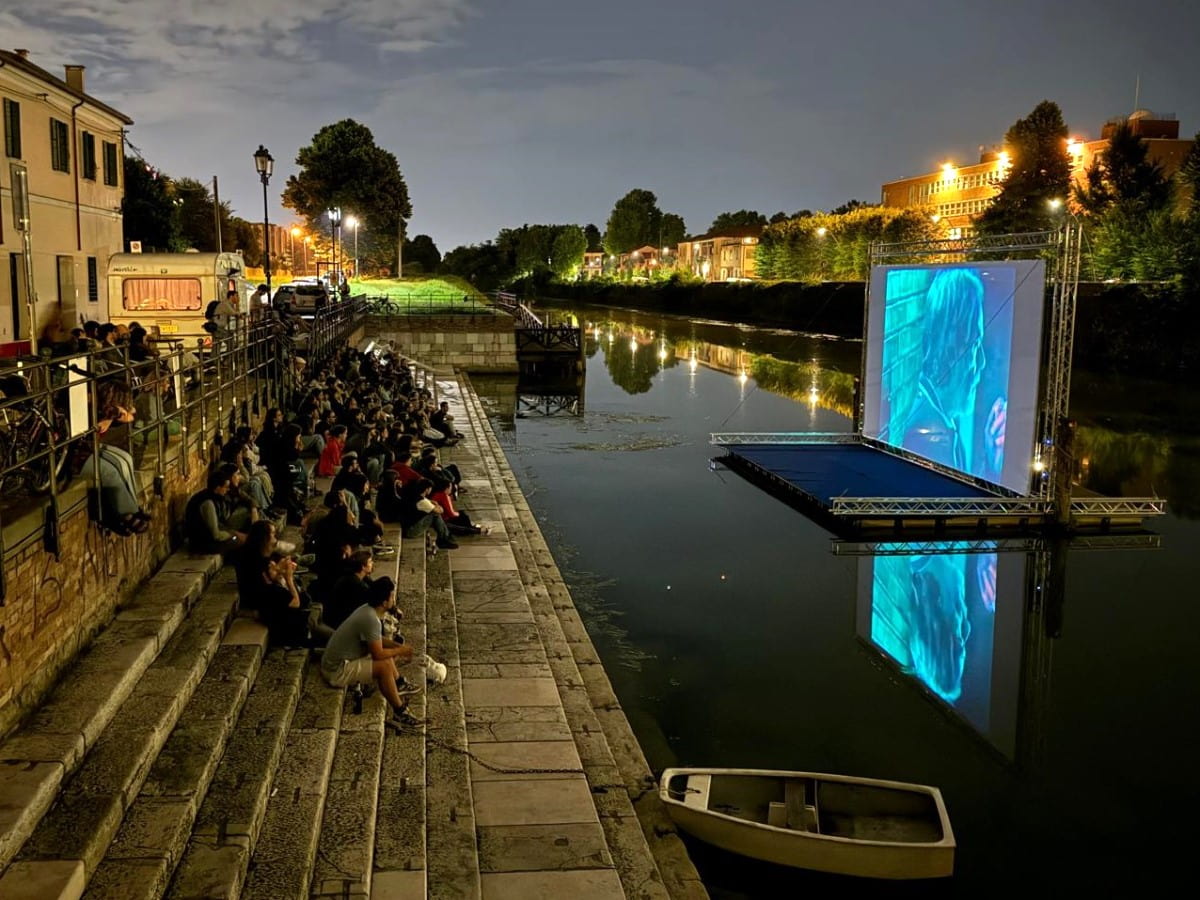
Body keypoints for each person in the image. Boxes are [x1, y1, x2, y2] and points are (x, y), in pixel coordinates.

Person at [320, 576, 424, 726]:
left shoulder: (368, 610)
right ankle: (400, 712)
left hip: (339, 662)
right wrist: (400, 651)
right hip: (337, 670)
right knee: (384, 665)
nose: (394, 599)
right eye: (392, 596)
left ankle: (398, 683)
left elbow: (377, 640)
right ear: (384, 602)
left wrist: (396, 646)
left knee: (387, 659)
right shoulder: (371, 619)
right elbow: (378, 653)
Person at [184, 467, 246, 554]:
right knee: (241, 542)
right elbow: (216, 535)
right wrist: (233, 535)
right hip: (202, 544)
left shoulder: (214, 497)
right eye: (226, 487)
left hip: (207, 539)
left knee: (241, 538)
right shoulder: (207, 503)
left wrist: (234, 533)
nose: (228, 490)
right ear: (217, 488)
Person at [397, 478, 458, 549]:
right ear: (427, 489)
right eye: (430, 488)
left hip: (407, 527)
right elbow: (440, 511)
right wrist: (437, 505)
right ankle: (443, 539)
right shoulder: (422, 502)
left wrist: (433, 504)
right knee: (434, 515)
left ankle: (445, 536)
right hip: (411, 531)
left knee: (433, 514)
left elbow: (430, 502)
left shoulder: (416, 496)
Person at [324, 549, 374, 631]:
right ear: (363, 566)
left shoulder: (359, 576)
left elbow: (375, 587)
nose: (372, 564)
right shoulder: (354, 582)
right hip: (339, 622)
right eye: (370, 562)